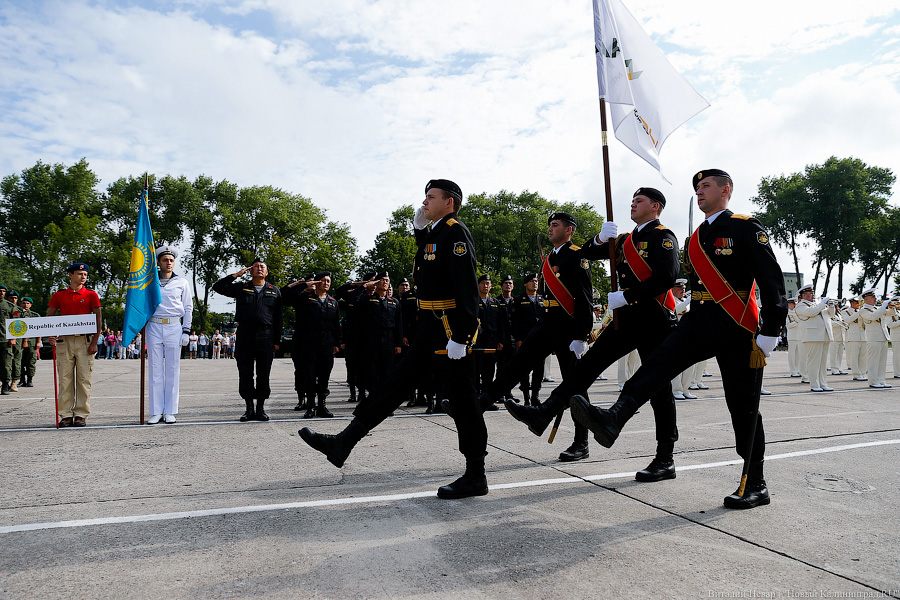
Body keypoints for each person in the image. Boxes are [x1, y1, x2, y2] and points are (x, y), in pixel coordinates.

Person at [570, 169, 786, 509]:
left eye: (705, 186)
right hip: (699, 320)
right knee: (657, 363)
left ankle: (754, 482)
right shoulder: (696, 236)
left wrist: (772, 329)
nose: (699, 192)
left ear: (725, 190)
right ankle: (615, 417)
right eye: (696, 188)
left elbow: (771, 278)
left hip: (737, 325)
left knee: (742, 408)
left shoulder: (745, 226)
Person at [300, 179, 489, 499]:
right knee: (392, 387)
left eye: (431, 197)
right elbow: (429, 264)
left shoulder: (456, 231)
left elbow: (467, 288)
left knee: (464, 400)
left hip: (448, 330)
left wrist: (460, 336)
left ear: (450, 203)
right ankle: (343, 443)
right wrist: (419, 231)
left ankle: (476, 474)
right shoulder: (437, 231)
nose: (424, 202)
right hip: (430, 329)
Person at [506, 188, 680, 480]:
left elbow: (667, 277)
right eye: (632, 200)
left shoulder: (663, 237)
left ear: (656, 207)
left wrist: (628, 296)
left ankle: (665, 457)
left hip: (653, 319)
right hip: (625, 320)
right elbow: (586, 252)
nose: (633, 204)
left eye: (639, 201)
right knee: (584, 370)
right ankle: (544, 413)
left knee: (658, 390)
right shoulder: (624, 240)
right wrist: (601, 238)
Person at [472, 211, 596, 462]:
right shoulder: (550, 258)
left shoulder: (577, 255)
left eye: (555, 225)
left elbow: (584, 298)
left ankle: (581, 442)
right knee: (515, 365)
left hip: (569, 327)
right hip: (548, 323)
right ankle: (477, 406)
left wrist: (582, 334)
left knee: (575, 386)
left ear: (569, 230)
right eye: (549, 225)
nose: (550, 229)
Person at [212, 258, 283, 421]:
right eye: (256, 266)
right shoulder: (242, 288)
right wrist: (235, 275)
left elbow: (279, 318)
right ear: (250, 271)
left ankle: (260, 409)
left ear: (266, 272)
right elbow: (218, 287)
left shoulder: (274, 291)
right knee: (245, 373)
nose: (259, 268)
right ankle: (249, 408)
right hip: (245, 334)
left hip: (266, 336)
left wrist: (277, 341)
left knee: (263, 373)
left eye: (262, 267)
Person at [47, 262, 103, 427]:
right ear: (70, 275)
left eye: (85, 274)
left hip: (84, 341)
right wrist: (51, 335)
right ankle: (65, 414)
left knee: (84, 379)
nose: (83, 276)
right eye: (79, 274)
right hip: (64, 341)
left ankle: (81, 414)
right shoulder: (59, 295)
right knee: (65, 379)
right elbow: (50, 317)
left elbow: (98, 319)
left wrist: (95, 341)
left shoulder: (91, 295)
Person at [282, 271, 342, 418]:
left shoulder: (333, 302)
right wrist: (302, 285)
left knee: (324, 375)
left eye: (328, 281)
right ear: (316, 283)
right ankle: (310, 407)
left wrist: (337, 343)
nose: (326, 283)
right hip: (309, 343)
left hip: (327, 343)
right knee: (309, 375)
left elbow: (336, 325)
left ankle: (321, 406)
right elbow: (283, 295)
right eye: (323, 280)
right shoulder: (304, 298)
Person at [145, 246, 193, 424]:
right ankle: (156, 411)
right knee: (155, 370)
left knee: (172, 370)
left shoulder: (182, 282)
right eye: (165, 260)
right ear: (158, 262)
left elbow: (188, 308)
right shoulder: (150, 282)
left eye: (171, 260)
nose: (168, 263)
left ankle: (171, 410)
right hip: (154, 325)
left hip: (174, 326)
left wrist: (186, 330)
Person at [508, 273, 546, 406]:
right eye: (531, 281)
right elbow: (514, 322)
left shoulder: (542, 299)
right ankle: (526, 397)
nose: (534, 283)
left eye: (536, 281)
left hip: (540, 340)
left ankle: (535, 395)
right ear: (525, 284)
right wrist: (518, 339)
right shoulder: (518, 300)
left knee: (539, 369)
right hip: (524, 340)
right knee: (524, 369)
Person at [795, 284, 834, 392]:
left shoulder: (817, 304)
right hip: (813, 336)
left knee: (823, 362)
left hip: (824, 335)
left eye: (812, 293)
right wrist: (822, 304)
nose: (812, 295)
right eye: (809, 293)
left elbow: (830, 315)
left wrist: (831, 306)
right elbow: (811, 312)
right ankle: (814, 384)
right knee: (814, 361)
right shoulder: (801, 305)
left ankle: (823, 383)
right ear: (804, 295)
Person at [473, 274, 505, 394]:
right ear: (478, 285)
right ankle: (476, 396)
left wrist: (501, 340)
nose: (485, 286)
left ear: (491, 286)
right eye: (483, 283)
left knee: (489, 370)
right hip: (477, 340)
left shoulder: (495, 302)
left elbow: (501, 323)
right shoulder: (473, 302)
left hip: (492, 340)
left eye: (487, 283)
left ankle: (486, 397)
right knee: (477, 369)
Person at [859, 288, 892, 389]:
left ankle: (881, 380)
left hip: (883, 337)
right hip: (873, 337)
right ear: (866, 299)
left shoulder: (877, 308)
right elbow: (873, 317)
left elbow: (891, 314)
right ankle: (873, 381)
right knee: (873, 361)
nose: (875, 298)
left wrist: (892, 306)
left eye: (874, 296)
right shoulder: (863, 310)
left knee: (882, 361)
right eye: (872, 297)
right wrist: (883, 307)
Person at [17, 296, 41, 387]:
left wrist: (38, 342)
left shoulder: (35, 315)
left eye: (27, 303)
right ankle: (22, 380)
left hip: (32, 342)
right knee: (20, 362)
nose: (25, 305)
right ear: (20, 304)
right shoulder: (17, 314)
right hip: (19, 342)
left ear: (31, 305)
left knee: (31, 361)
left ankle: (30, 380)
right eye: (23, 303)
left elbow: (39, 330)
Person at [842, 297, 867, 381]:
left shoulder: (861, 311)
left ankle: (863, 373)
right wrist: (859, 312)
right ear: (852, 303)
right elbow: (848, 320)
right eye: (857, 302)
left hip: (863, 336)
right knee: (854, 357)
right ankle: (856, 374)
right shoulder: (845, 312)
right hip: (853, 337)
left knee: (863, 357)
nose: (859, 304)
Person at [0, 285, 18, 395]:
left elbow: (16, 324)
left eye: (3, 291)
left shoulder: (10, 306)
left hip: (5, 339)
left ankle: (5, 384)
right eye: (0, 291)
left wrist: (13, 338)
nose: (1, 293)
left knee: (6, 363)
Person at [4, 290, 23, 392]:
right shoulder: (5, 307)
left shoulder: (19, 310)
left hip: (17, 338)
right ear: (7, 298)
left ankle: (14, 382)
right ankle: (4, 382)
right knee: (4, 361)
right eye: (11, 298)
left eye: (15, 298)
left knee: (16, 361)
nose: (14, 300)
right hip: (4, 337)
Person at [785, 297, 804, 378]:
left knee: (798, 355)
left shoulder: (798, 313)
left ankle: (798, 370)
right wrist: (797, 323)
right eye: (792, 304)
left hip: (799, 336)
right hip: (792, 336)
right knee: (792, 355)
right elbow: (788, 326)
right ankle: (793, 371)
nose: (794, 306)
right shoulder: (788, 314)